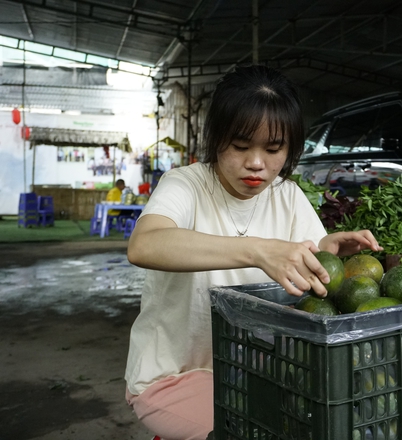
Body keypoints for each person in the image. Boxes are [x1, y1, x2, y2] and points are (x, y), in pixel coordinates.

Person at [124, 65, 382, 440]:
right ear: (216, 139)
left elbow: (307, 259)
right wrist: (259, 251)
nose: (257, 163)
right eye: (241, 146)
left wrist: (326, 248)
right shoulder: (186, 185)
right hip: (174, 375)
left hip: (259, 368)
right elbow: (145, 244)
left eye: (274, 149)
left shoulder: (287, 195)